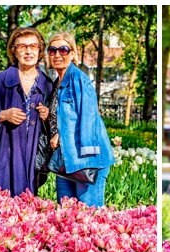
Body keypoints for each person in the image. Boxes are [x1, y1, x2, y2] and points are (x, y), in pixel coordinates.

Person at [0, 27, 53, 196]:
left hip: (32, 154)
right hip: (6, 151)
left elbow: (57, 120)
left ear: (40, 50)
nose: (28, 51)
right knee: (0, 203)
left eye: (33, 46)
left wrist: (48, 115)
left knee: (24, 210)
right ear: (14, 51)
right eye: (22, 47)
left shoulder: (47, 84)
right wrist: (3, 114)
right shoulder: (3, 79)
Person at [45, 32, 114, 206]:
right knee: (65, 217)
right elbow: (65, 117)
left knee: (88, 218)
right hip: (66, 159)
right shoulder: (56, 84)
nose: (57, 54)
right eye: (52, 50)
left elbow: (88, 119)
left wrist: (60, 135)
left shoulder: (78, 80)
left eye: (63, 49)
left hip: (86, 160)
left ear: (73, 54)